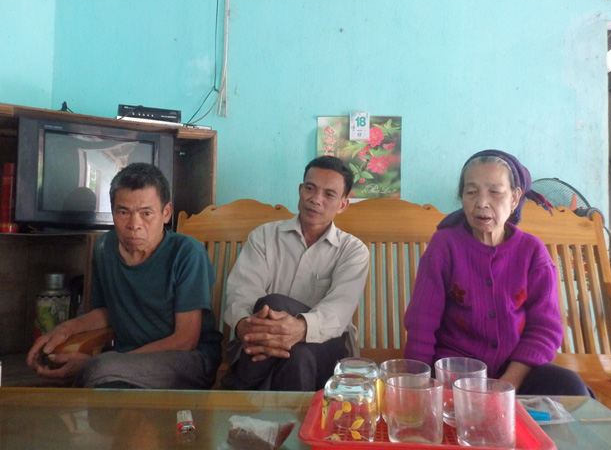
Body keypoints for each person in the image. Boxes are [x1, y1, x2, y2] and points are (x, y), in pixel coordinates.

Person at [405, 149, 592, 396]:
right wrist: (417, 382)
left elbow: (545, 328)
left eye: (495, 192)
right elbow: (421, 323)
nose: (481, 203)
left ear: (515, 198)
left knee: (571, 387)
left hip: (516, 369)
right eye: (471, 192)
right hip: (456, 371)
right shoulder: (444, 245)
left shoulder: (532, 251)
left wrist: (507, 384)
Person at [26, 162, 222, 389]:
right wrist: (65, 329)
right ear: (113, 212)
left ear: (166, 213)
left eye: (146, 213)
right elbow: (106, 313)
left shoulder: (187, 253)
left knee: (97, 372)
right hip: (125, 358)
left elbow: (185, 340)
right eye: (123, 212)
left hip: (188, 359)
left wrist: (103, 363)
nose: (134, 225)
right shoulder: (104, 248)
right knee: (80, 371)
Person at [222, 155, 369, 391]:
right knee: (298, 356)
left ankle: (238, 389)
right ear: (301, 190)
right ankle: (299, 418)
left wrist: (300, 328)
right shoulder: (264, 237)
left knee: (274, 302)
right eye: (310, 188)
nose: (316, 199)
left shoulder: (352, 251)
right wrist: (242, 324)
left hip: (327, 347)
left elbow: (338, 310)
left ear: (343, 204)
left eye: (329, 194)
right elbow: (243, 291)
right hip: (262, 342)